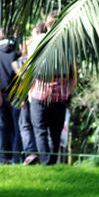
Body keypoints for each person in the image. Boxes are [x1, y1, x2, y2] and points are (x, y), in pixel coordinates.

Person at [28, 11, 75, 165]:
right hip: (60, 92)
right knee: (55, 131)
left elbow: (30, 65)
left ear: (47, 23)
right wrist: (70, 90)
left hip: (40, 90)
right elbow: (72, 69)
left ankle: (45, 161)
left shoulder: (38, 40)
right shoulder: (67, 42)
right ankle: (51, 161)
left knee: (40, 129)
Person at [18, 24, 46, 164]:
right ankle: (41, 156)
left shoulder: (31, 45)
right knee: (39, 127)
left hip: (32, 92)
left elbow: (26, 74)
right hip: (41, 93)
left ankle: (31, 152)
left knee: (26, 124)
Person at [0, 28, 20, 163]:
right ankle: (14, 157)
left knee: (1, 126)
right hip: (14, 94)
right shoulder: (15, 54)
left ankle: (1, 157)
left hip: (0, 93)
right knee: (15, 127)